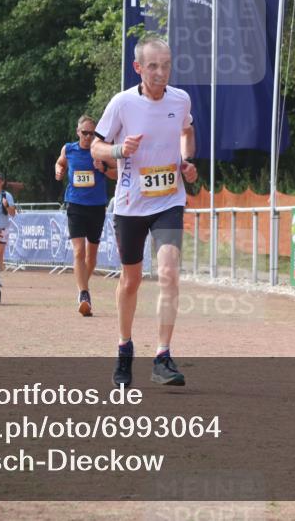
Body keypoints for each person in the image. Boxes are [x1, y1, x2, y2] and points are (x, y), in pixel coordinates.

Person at [91, 36, 197, 388]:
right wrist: (120, 149)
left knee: (169, 274)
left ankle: (163, 356)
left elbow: (186, 131)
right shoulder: (122, 103)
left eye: (166, 65)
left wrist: (186, 161)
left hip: (169, 200)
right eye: (153, 66)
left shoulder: (180, 99)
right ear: (138, 67)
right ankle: (124, 349)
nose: (160, 72)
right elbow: (96, 145)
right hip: (130, 205)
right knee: (131, 280)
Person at [56, 115, 116, 316]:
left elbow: (118, 173)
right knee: (79, 252)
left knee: (91, 257)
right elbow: (60, 162)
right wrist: (58, 170)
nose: (88, 137)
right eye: (85, 133)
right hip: (75, 205)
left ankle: (83, 288)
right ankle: (84, 293)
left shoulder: (101, 150)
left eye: (92, 133)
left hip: (97, 207)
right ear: (77, 132)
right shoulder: (69, 149)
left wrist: (104, 168)